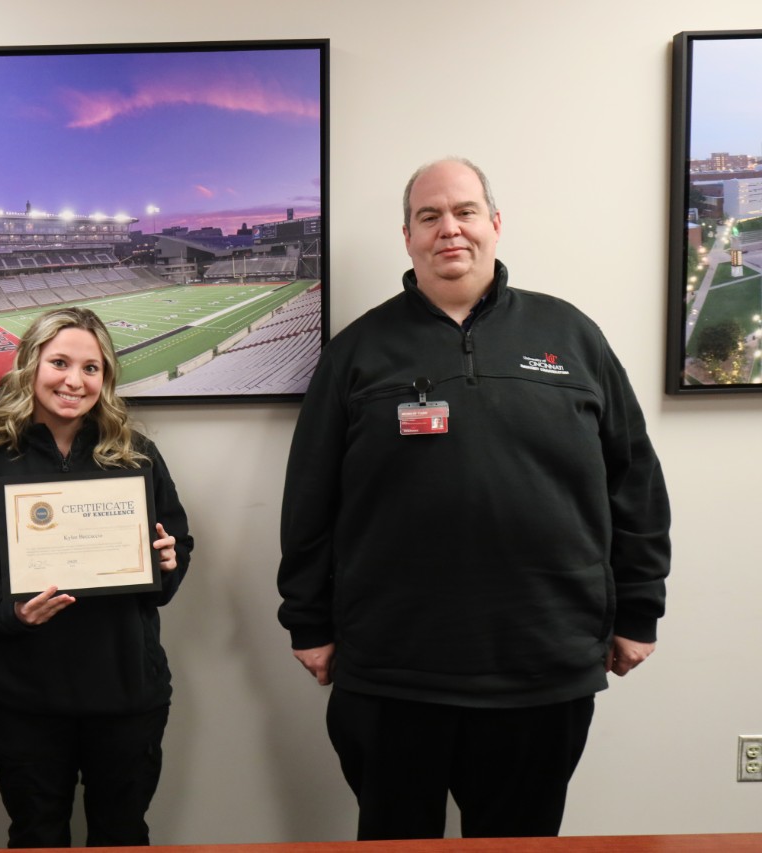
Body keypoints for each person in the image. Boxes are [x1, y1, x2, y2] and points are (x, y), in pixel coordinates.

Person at [276, 158, 671, 840]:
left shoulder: (571, 336)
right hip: (392, 667)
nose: (448, 229)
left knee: (519, 840)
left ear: (495, 223)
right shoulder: (357, 352)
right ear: (407, 236)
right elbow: (310, 497)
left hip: (542, 661)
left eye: (463, 211)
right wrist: (307, 622)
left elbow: (633, 481)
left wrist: (640, 607)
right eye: (429, 216)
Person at [0, 306, 193, 848]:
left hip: (127, 695)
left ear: (105, 380)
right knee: (35, 836)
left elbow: (174, 553)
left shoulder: (136, 457)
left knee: (122, 835)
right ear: (31, 365)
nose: (74, 381)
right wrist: (11, 612)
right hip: (26, 702)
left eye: (91, 368)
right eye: (59, 362)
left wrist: (167, 564)